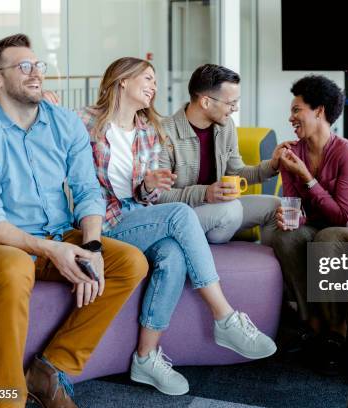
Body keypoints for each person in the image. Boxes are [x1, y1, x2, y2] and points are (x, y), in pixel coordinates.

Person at [0, 34, 148, 408]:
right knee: (14, 268)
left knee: (129, 261)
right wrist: (50, 249)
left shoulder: (64, 123)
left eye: (37, 65)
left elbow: (87, 191)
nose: (35, 74)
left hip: (61, 235)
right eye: (23, 67)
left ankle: (51, 368)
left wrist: (90, 245)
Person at [78, 57, 277, 396]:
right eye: (148, 78)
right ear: (123, 81)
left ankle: (145, 357)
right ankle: (225, 317)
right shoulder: (86, 121)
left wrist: (147, 185)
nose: (155, 86)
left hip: (140, 214)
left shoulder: (147, 129)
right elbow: (85, 181)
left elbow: (146, 194)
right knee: (180, 216)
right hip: (105, 221)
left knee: (172, 256)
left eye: (155, 80)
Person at [271, 75, 348, 374]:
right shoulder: (293, 153)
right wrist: (291, 218)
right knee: (283, 237)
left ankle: (337, 330)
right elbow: (293, 203)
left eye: (297, 109)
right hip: (316, 223)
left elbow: (342, 215)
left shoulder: (347, 153)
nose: (291, 117)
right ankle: (310, 322)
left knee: (327, 238)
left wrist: (307, 178)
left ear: (319, 111)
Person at [158, 64, 290, 244]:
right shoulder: (164, 133)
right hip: (183, 216)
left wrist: (273, 165)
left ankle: (271, 263)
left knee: (276, 205)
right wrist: (205, 193)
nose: (235, 108)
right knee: (231, 209)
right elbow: (158, 195)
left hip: (221, 209)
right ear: (205, 102)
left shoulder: (225, 126)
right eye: (231, 103)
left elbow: (237, 173)